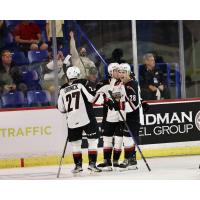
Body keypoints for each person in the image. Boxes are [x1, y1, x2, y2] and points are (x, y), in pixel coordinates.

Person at [57, 66, 101, 173]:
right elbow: (92, 99)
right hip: (86, 117)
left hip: (72, 120)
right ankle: (92, 165)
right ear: (78, 74)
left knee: (75, 144)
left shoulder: (62, 89)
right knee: (93, 141)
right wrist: (100, 92)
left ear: (67, 76)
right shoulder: (83, 83)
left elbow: (61, 109)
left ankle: (78, 166)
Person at [94, 63, 127, 171]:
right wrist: (107, 101)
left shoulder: (123, 83)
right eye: (116, 70)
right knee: (107, 139)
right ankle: (107, 162)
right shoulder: (103, 84)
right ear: (110, 72)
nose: (118, 72)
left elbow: (127, 98)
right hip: (109, 116)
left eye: (119, 70)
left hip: (121, 116)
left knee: (118, 139)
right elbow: (95, 98)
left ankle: (116, 161)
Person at [117, 63, 145, 170]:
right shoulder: (123, 84)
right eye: (120, 72)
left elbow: (133, 105)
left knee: (128, 138)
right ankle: (132, 161)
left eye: (123, 72)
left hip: (134, 116)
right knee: (129, 138)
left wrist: (118, 104)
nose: (121, 74)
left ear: (128, 73)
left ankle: (128, 159)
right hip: (128, 115)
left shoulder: (131, 84)